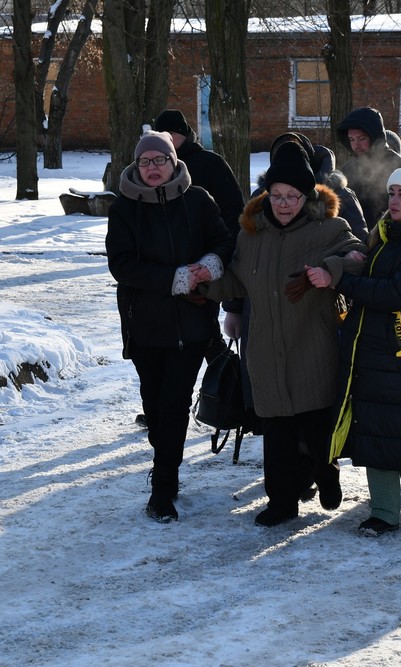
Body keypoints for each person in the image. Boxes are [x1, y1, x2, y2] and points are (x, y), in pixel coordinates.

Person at [202, 141, 367, 527]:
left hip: (311, 345)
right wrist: (203, 283)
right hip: (264, 349)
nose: (284, 203)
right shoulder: (250, 235)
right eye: (277, 195)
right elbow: (236, 282)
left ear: (307, 196)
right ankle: (281, 502)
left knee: (316, 425)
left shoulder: (329, 227)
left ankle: (327, 475)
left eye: (293, 196)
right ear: (267, 194)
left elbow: (358, 257)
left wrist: (329, 270)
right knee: (276, 432)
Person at [105, 130, 235, 523]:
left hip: (192, 326)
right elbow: (122, 265)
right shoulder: (124, 207)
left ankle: (163, 488)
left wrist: (210, 265)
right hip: (145, 326)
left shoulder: (198, 200)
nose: (153, 168)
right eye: (146, 162)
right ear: (136, 166)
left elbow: (226, 241)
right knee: (154, 405)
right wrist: (173, 279)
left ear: (174, 162)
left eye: (160, 160)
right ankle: (166, 462)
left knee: (175, 404)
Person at [325, 167, 401, 536]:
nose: (393, 200)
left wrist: (343, 280)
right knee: (375, 434)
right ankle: (384, 513)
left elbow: (398, 294)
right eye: (392, 192)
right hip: (372, 353)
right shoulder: (382, 236)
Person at [127, 109, 246, 431]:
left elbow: (234, 212)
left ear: (181, 137)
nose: (156, 162)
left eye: (170, 138)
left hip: (205, 274)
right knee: (181, 349)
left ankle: (231, 397)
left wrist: (216, 260)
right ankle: (160, 410)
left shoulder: (209, 165)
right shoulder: (133, 197)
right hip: (161, 289)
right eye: (147, 159)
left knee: (206, 337)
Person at [336, 107, 401, 230]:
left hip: (395, 239)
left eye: (361, 138)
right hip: (356, 240)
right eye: (352, 139)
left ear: (375, 136)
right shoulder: (348, 170)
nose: (356, 145)